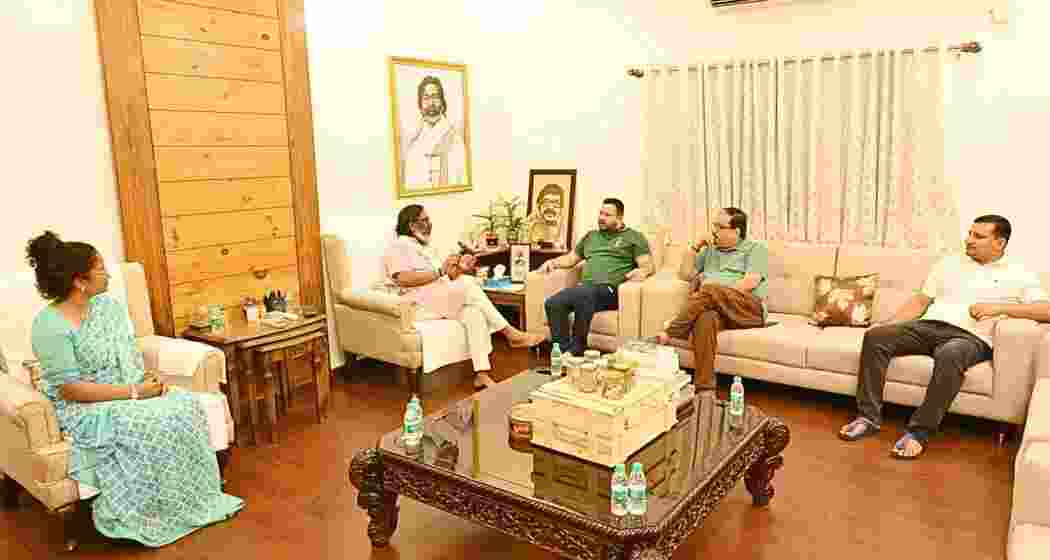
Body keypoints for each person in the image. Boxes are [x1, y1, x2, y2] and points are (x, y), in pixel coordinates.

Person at [26, 231, 243, 547]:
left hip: (127, 389)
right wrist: (135, 392)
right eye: (100, 268)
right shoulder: (49, 326)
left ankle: (186, 499)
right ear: (79, 281)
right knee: (142, 421)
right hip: (85, 404)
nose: (108, 273)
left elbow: (128, 355)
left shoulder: (109, 308)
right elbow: (71, 390)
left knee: (184, 404)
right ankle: (146, 513)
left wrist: (147, 379)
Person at [838, 215, 1050, 459]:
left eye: (978, 236)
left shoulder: (1020, 273)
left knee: (950, 353)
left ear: (999, 243)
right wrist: (890, 325)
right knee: (877, 336)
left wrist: (998, 308)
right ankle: (868, 417)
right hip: (928, 326)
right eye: (969, 233)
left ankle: (919, 433)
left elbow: (1045, 310)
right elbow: (921, 300)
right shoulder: (949, 263)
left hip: (971, 337)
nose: (968, 240)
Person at [384, 205, 543, 388]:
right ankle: (510, 333)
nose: (430, 224)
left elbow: (445, 276)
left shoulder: (424, 247)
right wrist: (441, 271)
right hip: (416, 305)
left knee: (474, 312)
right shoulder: (398, 247)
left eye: (429, 220)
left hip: (438, 300)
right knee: (468, 284)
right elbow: (403, 279)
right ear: (412, 226)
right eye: (424, 220)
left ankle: (482, 374)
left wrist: (460, 268)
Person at [655, 208, 769, 391]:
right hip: (719, 309)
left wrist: (715, 293)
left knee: (708, 289)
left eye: (719, 226)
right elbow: (685, 274)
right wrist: (694, 247)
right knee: (704, 319)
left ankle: (672, 330)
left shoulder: (755, 249)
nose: (713, 230)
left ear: (736, 231)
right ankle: (705, 388)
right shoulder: (710, 251)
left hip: (747, 307)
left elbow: (751, 281)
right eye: (713, 225)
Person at [540, 198, 653, 355]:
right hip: (585, 290)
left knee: (584, 294)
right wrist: (553, 262)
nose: (601, 217)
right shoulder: (591, 237)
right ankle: (563, 353)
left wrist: (642, 271)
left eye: (607, 215)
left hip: (610, 291)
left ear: (619, 218)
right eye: (601, 213)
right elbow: (571, 259)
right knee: (553, 303)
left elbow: (647, 265)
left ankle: (577, 350)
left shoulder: (634, 237)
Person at [401, 75, 467, 188]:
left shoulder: (456, 140)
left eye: (435, 97)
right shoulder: (414, 143)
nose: (431, 103)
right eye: (426, 98)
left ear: (442, 102)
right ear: (420, 104)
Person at [527, 183, 566, 248]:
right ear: (538, 205)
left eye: (556, 205)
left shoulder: (561, 223)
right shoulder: (531, 221)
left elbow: (561, 244)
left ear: (561, 208)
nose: (550, 207)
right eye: (546, 203)